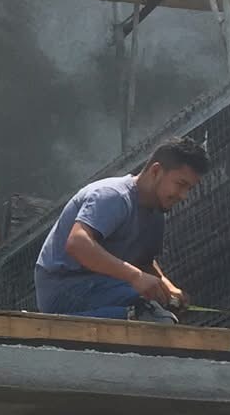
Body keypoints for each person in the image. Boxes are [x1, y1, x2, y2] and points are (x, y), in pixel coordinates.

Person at [33, 137, 209, 320]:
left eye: (189, 188)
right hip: (64, 287)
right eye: (180, 184)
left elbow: (143, 263)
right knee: (151, 315)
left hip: (103, 287)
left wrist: (168, 289)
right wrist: (135, 277)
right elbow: (77, 243)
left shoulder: (155, 213)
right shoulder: (114, 196)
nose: (184, 195)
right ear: (156, 171)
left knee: (158, 310)